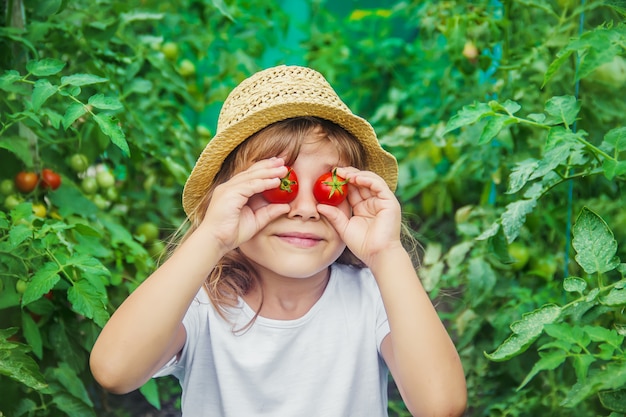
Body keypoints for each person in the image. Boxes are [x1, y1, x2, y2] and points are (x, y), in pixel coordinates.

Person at [89, 65, 467, 416]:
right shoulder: (202, 304)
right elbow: (115, 370)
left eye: (329, 188)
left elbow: (441, 406)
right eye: (277, 184)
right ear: (228, 198)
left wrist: (387, 254)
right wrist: (213, 236)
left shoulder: (374, 298)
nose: (305, 208)